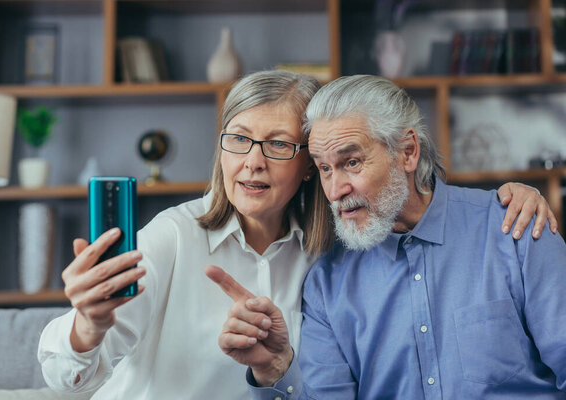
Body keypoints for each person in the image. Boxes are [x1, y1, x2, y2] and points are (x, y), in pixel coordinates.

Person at [38, 71, 552, 400]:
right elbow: (68, 378)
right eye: (238, 140)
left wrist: (511, 196)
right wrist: (88, 323)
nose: (253, 161)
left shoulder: (329, 252)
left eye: (279, 145)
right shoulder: (177, 237)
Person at [209, 75, 566, 399]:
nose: (335, 190)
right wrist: (274, 369)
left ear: (408, 151)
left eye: (351, 163)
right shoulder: (325, 286)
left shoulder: (516, 230)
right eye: (324, 169)